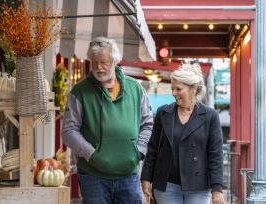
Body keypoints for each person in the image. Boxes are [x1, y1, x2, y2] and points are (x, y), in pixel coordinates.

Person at [62, 36, 153, 204]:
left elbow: (148, 124)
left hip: (129, 175)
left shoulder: (136, 89)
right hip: (93, 176)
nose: (98, 67)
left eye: (103, 62)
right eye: (94, 62)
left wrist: (138, 151)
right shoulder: (80, 92)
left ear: (115, 61)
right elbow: (68, 131)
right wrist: (91, 154)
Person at [141, 63, 225, 204]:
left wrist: (217, 189)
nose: (173, 93)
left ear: (192, 89)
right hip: (166, 185)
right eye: (172, 88)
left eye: (178, 89)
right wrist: (146, 178)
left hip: (198, 187)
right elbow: (153, 148)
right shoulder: (163, 113)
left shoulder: (210, 116)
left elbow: (215, 154)